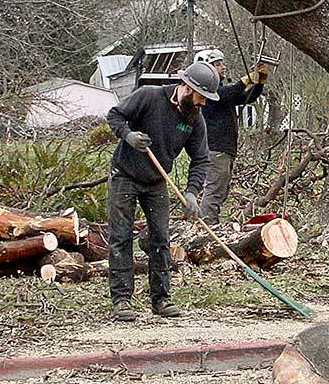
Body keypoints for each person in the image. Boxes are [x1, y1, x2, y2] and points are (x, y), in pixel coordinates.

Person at [104, 61, 218, 321]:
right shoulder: (149, 97)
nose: (203, 104)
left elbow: (201, 159)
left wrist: (191, 191)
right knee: (121, 237)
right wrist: (128, 135)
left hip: (156, 181)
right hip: (125, 175)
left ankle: (161, 299)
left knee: (160, 238)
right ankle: (122, 300)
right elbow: (114, 115)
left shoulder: (194, 120)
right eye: (202, 97)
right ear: (187, 88)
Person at [195, 48, 268, 224]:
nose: (223, 67)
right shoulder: (208, 92)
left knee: (221, 190)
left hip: (224, 150)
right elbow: (231, 92)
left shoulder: (219, 93)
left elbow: (246, 97)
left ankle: (209, 222)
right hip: (216, 150)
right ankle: (207, 225)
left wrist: (260, 82)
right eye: (217, 64)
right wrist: (248, 79)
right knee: (214, 190)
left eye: (221, 64)